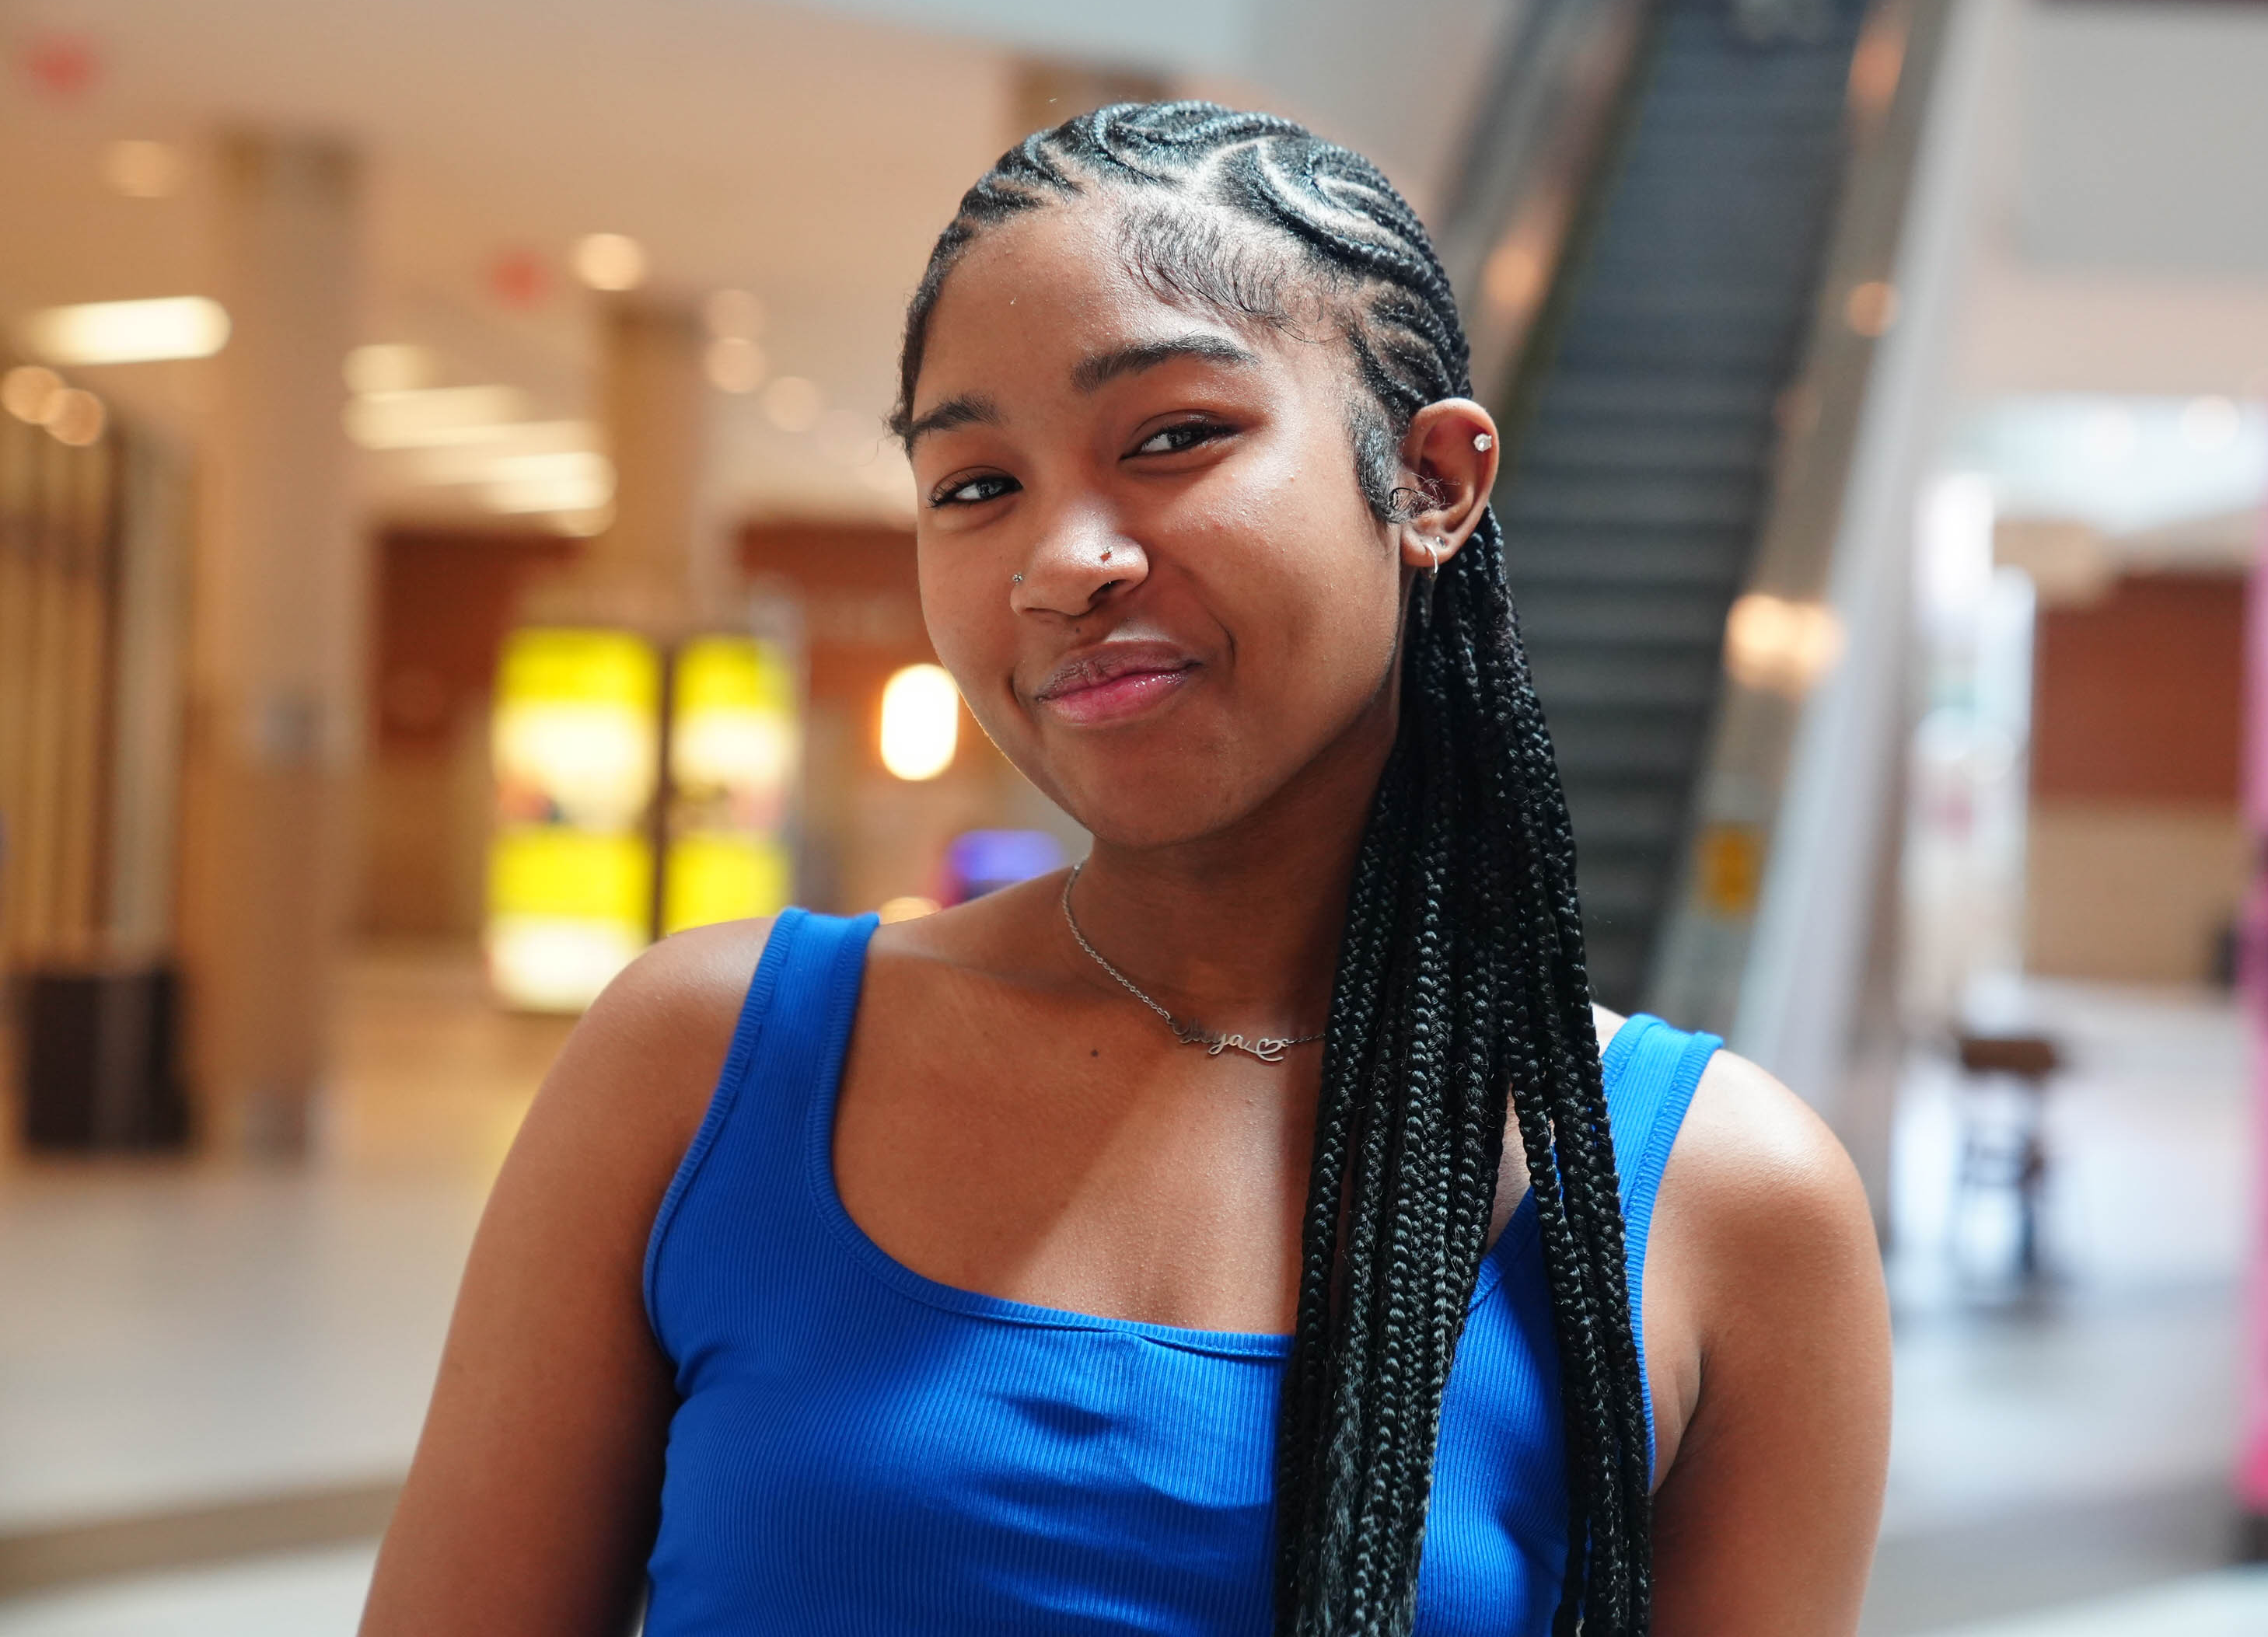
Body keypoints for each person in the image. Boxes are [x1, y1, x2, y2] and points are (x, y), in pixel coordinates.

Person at [362, 103, 1889, 1637]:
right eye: (976, 486)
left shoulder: (1716, 1198)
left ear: (1430, 480)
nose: (1060, 563)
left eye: (1172, 439)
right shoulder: (703, 1064)